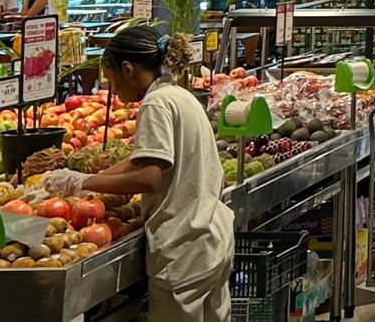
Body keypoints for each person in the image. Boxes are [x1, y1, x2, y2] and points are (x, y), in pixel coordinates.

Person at [41, 27, 234, 322]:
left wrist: (82, 181)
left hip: (184, 247)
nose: (114, 91)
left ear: (128, 69)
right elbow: (141, 160)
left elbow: (149, 177)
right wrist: (91, 181)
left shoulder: (155, 104)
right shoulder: (181, 96)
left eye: (112, 81)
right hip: (212, 238)